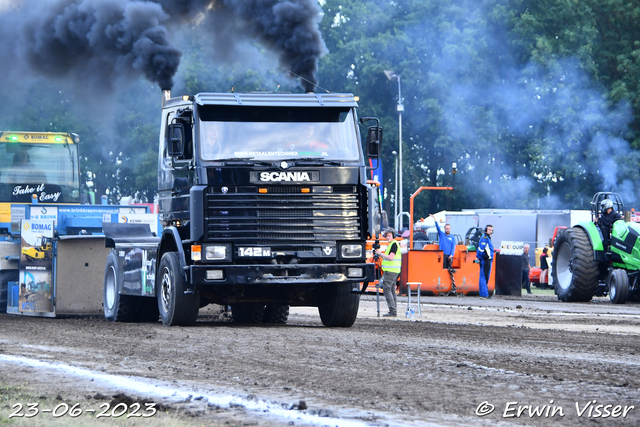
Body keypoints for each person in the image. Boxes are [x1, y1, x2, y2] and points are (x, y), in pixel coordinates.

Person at [375, 228, 402, 317]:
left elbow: (391, 257)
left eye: (389, 236)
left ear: (393, 236)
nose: (387, 237)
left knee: (386, 289)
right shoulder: (392, 244)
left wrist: (380, 253)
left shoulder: (393, 244)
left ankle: (392, 310)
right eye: (386, 236)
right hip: (393, 271)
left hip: (391, 271)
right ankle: (394, 310)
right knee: (392, 290)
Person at [476, 225, 494, 299]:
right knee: (485, 277)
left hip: (485, 259)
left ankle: (482, 293)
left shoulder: (486, 238)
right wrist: (479, 257)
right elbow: (481, 249)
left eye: (491, 230)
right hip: (486, 260)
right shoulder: (485, 238)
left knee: (482, 276)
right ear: (486, 230)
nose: (490, 231)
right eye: (489, 230)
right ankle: (484, 294)